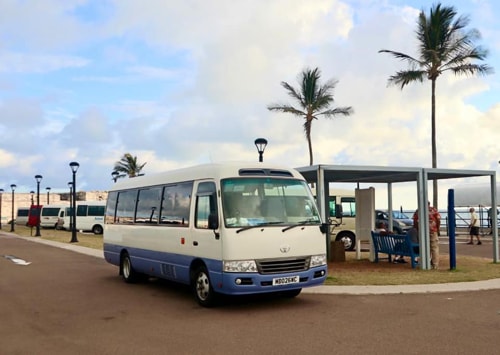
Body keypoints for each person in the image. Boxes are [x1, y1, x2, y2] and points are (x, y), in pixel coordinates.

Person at [413, 201, 441, 270]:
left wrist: (418, 230)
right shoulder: (433, 210)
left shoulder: (418, 211)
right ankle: (435, 265)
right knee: (434, 248)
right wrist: (437, 228)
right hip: (432, 230)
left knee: (424, 247)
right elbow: (438, 219)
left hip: (422, 232)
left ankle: (425, 263)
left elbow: (415, 221)